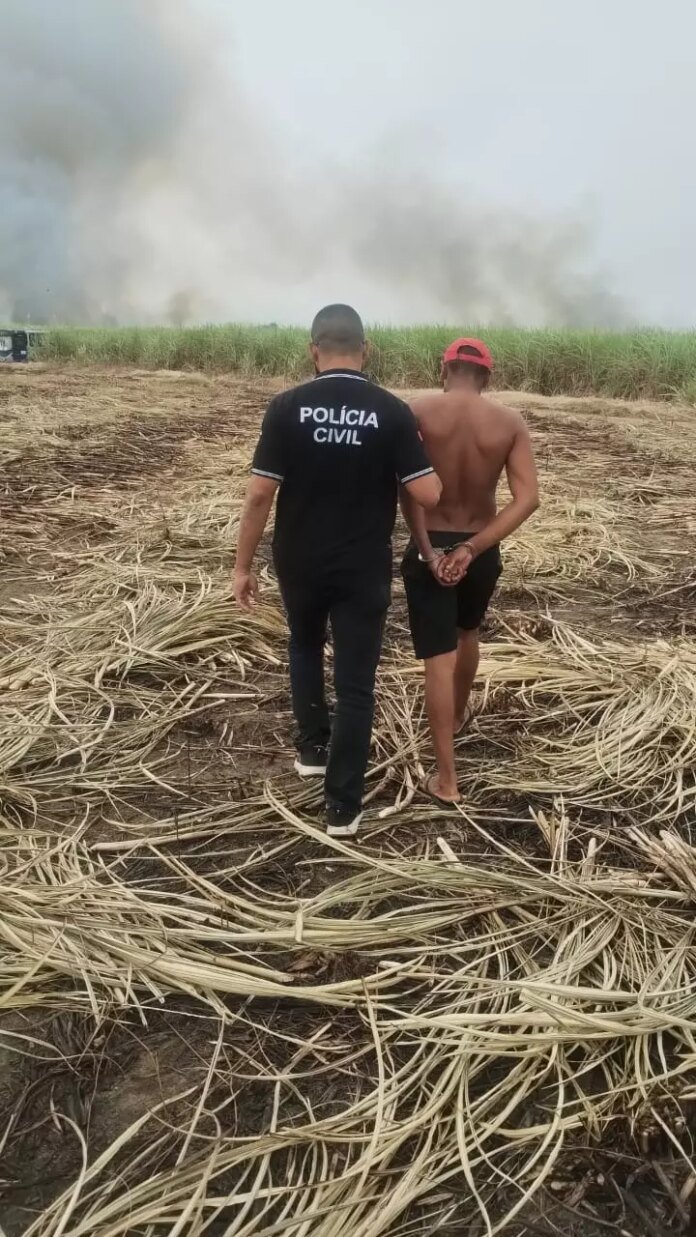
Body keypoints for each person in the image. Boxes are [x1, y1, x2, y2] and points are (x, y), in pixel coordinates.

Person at [234, 305, 441, 837]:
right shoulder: (391, 412)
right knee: (355, 683)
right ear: (366, 350)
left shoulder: (286, 408)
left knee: (304, 645)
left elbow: (259, 495)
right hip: (361, 566)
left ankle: (312, 750)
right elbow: (427, 493)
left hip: (298, 558)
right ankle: (343, 808)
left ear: (314, 350)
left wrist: (242, 566)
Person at [400, 337, 539, 804]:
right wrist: (473, 548)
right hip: (480, 548)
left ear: (443, 371)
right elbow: (528, 499)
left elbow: (406, 488)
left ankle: (447, 780)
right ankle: (457, 716)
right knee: (467, 634)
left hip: (431, 542)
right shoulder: (509, 422)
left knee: (437, 659)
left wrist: (428, 552)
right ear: (487, 377)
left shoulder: (416, 412)